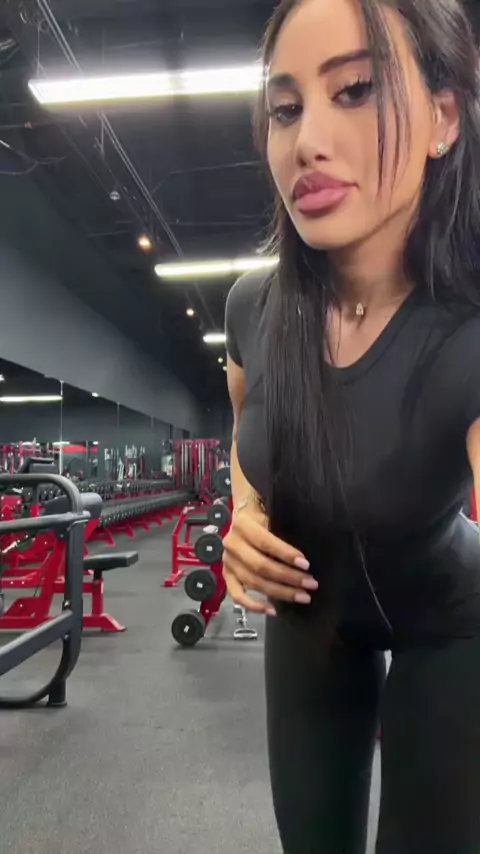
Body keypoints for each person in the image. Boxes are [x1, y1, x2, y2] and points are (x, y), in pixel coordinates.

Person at [223, 0, 480, 852]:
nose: (307, 141)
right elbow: (248, 436)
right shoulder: (253, 308)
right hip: (311, 616)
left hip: (453, 623)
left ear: (444, 118)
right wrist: (245, 516)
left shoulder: (469, 328)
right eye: (284, 108)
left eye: (357, 90)